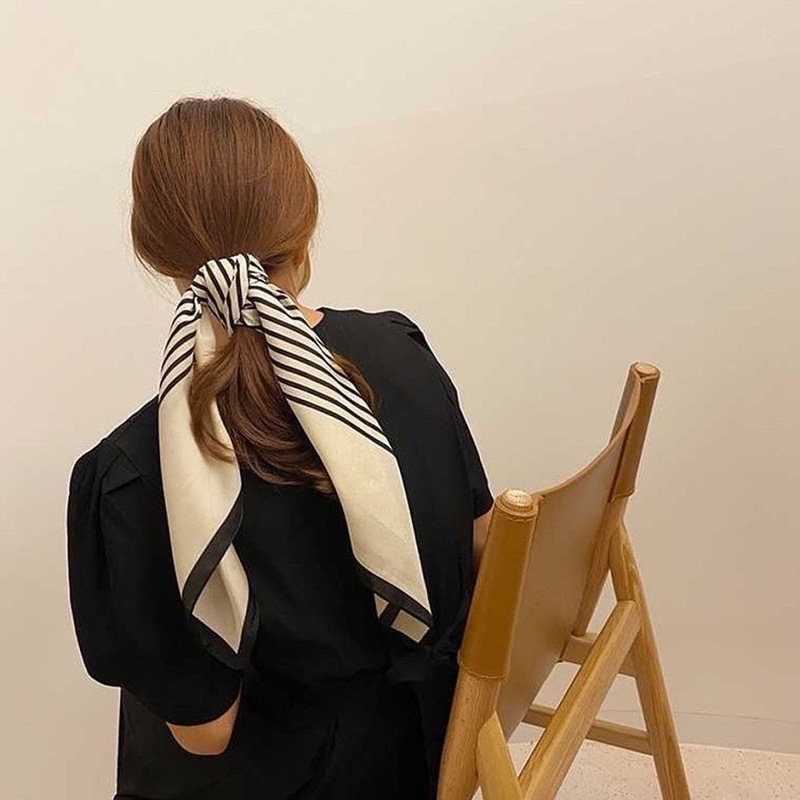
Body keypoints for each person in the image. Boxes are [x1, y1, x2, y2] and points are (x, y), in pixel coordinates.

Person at [66, 96, 494, 800]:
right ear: (304, 231)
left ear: (153, 251)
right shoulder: (403, 354)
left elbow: (206, 732)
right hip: (427, 752)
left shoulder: (134, 474)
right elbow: (484, 544)